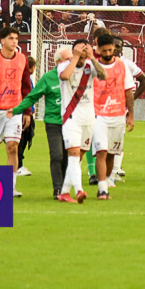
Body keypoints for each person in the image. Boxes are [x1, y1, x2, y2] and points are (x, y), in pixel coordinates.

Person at [8, 46, 71, 199]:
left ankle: (64, 189)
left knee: (68, 157)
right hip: (53, 122)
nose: (71, 62)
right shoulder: (48, 78)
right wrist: (17, 110)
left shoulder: (74, 76)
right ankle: (57, 189)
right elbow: (32, 96)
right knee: (56, 155)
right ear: (57, 62)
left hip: (71, 122)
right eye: (67, 59)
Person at [0, 25, 32, 198]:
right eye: (11, 38)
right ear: (2, 40)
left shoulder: (22, 59)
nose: (14, 42)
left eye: (16, 39)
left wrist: (27, 111)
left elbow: (26, 87)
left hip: (13, 110)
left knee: (12, 147)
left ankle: (10, 186)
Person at [90, 30, 143, 200]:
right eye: (104, 51)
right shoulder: (92, 67)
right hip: (98, 115)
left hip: (118, 114)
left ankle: (106, 180)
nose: (107, 54)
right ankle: (102, 188)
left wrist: (131, 115)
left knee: (112, 152)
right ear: (98, 49)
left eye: (109, 50)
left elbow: (128, 91)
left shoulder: (121, 65)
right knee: (101, 151)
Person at [53, 39, 104, 203]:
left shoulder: (90, 66)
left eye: (84, 52)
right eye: (78, 51)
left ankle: (65, 192)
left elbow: (104, 76)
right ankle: (79, 190)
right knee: (73, 153)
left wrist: (93, 58)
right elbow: (66, 76)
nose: (82, 55)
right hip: (71, 117)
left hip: (88, 118)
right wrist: (75, 57)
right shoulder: (64, 65)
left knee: (78, 156)